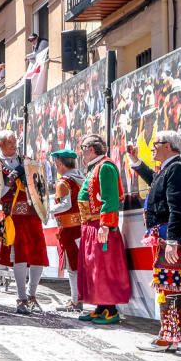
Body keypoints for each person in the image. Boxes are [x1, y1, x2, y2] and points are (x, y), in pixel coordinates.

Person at [126, 131, 181, 351]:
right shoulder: (172, 168)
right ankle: (177, 337)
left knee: (169, 285)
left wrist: (173, 239)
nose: (153, 147)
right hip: (166, 236)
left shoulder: (176, 169)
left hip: (168, 237)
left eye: (156, 144)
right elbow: (156, 182)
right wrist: (136, 162)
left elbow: (178, 207)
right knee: (170, 285)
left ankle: (169, 338)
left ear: (169, 146)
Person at [77, 134, 130, 324]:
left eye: (83, 148)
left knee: (104, 268)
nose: (81, 152)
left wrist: (106, 225)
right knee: (94, 268)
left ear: (91, 149)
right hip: (91, 226)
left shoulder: (106, 167)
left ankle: (110, 309)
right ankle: (100, 306)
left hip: (101, 226)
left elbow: (110, 199)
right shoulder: (95, 168)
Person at [0, 130, 50, 314]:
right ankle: (21, 298)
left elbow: (39, 185)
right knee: (19, 255)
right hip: (14, 217)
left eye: (14, 141)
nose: (14, 145)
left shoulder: (27, 161)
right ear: (0, 145)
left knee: (37, 254)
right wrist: (10, 181)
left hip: (33, 215)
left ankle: (32, 294)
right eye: (9, 142)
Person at [49, 150, 85, 312]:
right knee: (80, 265)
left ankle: (75, 300)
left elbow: (66, 205)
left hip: (69, 229)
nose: (56, 166)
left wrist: (47, 210)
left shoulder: (63, 182)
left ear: (60, 164)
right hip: (82, 227)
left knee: (72, 266)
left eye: (56, 164)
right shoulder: (82, 179)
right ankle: (78, 298)